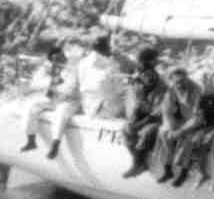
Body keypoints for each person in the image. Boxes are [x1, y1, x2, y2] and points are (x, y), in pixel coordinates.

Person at [18, 39, 77, 159]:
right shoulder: (46, 68)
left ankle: (55, 145)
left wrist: (54, 85)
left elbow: (68, 89)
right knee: (31, 107)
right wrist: (50, 81)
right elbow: (34, 84)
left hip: (67, 101)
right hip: (51, 99)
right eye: (54, 59)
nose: (58, 61)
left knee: (61, 113)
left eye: (60, 58)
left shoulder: (70, 70)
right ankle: (31, 140)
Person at [121, 47, 169, 176]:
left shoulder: (161, 85)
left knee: (146, 132)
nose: (147, 78)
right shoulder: (139, 82)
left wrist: (143, 121)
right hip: (145, 115)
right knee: (126, 129)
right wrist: (134, 121)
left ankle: (137, 164)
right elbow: (138, 106)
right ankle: (138, 162)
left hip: (158, 118)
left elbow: (159, 110)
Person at [154, 65, 201, 182]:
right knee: (163, 132)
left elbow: (197, 116)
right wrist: (171, 128)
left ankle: (184, 171)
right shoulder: (171, 89)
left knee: (188, 138)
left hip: (195, 121)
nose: (179, 84)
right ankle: (168, 169)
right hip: (179, 121)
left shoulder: (196, 90)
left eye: (182, 81)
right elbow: (166, 111)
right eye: (176, 82)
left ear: (186, 78)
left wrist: (181, 131)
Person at [76, 34, 128, 122]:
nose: (111, 49)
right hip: (106, 109)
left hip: (88, 108)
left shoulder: (82, 63)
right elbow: (119, 89)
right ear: (106, 48)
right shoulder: (111, 65)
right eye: (110, 47)